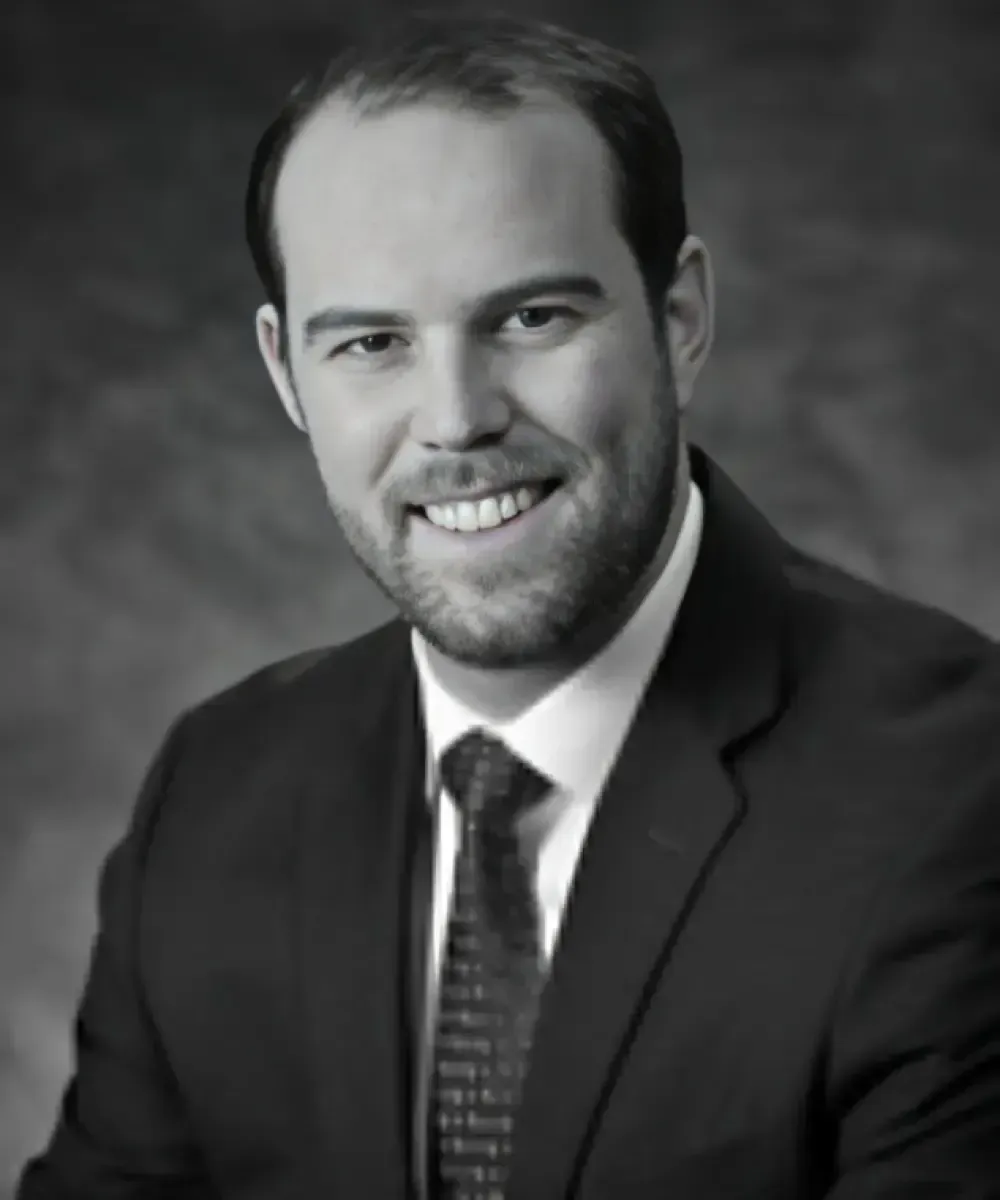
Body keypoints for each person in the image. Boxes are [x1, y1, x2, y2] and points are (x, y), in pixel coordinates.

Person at [16, 10, 1000, 1199]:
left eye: (531, 318)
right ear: (285, 374)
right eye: (372, 342)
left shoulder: (957, 797)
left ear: (677, 319)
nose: (455, 418)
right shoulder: (217, 795)